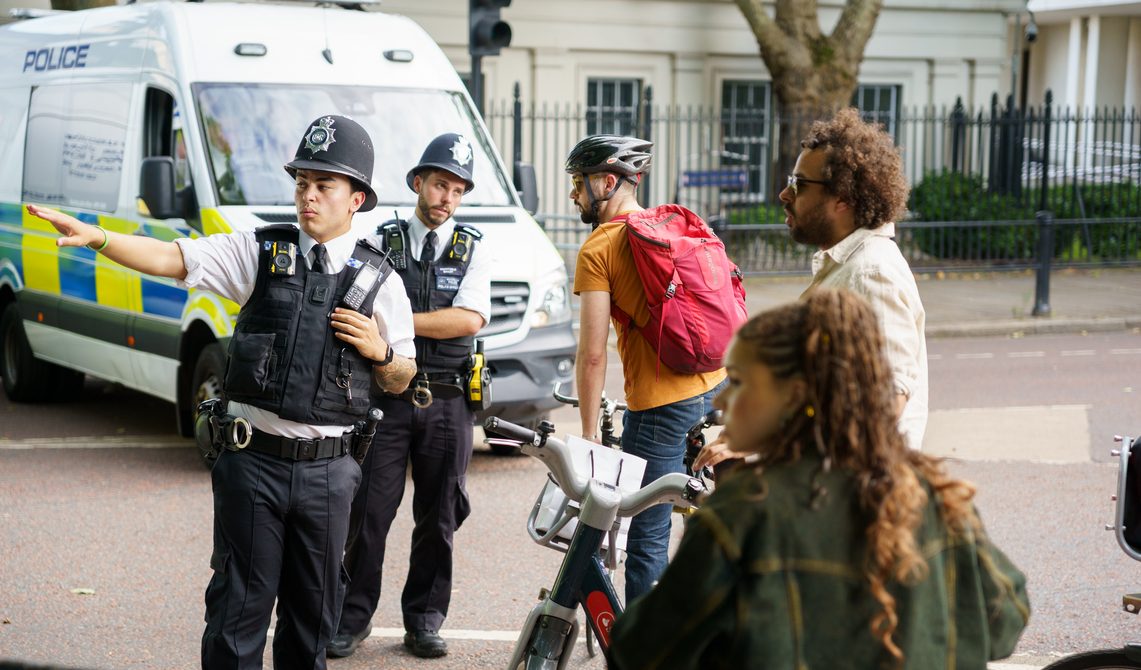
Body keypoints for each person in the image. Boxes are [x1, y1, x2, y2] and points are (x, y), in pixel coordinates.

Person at [28, 114, 418, 670]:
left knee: (312, 627)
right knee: (236, 617)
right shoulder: (260, 253)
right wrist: (101, 238)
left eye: (323, 185)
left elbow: (403, 376)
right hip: (253, 462)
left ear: (356, 199)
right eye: (302, 183)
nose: (308, 196)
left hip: (329, 473)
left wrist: (381, 351)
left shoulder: (381, 281)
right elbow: (174, 258)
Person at [608, 288, 1030, 669]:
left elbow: (642, 652)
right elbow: (1005, 621)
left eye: (738, 382)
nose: (720, 399)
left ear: (791, 397)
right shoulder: (931, 491)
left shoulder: (744, 513)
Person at [328, 133, 492, 660]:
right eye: (440, 184)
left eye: (458, 190)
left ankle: (424, 620)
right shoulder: (380, 238)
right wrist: (411, 328)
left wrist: (399, 321)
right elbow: (358, 304)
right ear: (418, 183)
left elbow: (468, 320)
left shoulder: (474, 248)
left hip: (447, 401)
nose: (447, 197)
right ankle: (352, 620)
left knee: (440, 518)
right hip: (386, 397)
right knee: (368, 514)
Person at [567, 134, 726, 604]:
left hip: (660, 407)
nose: (574, 194)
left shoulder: (599, 248)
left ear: (606, 182)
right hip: (718, 388)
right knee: (711, 515)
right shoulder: (672, 227)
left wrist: (589, 429)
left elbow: (593, 354)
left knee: (647, 537)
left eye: (578, 183)